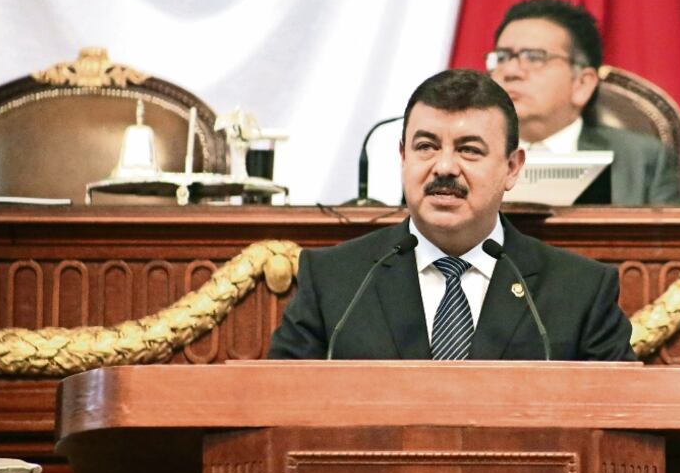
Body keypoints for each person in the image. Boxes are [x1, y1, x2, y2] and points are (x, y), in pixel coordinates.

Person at [268, 69, 635, 361]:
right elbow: (276, 406)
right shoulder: (336, 282)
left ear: (511, 167)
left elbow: (624, 425)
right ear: (403, 157)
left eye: (469, 150)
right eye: (426, 147)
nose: (444, 167)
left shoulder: (580, 291)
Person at [488, 0, 680, 205]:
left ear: (582, 84)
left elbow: (667, 237)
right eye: (501, 57)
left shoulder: (642, 159)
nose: (509, 71)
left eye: (534, 57)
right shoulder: (464, 155)